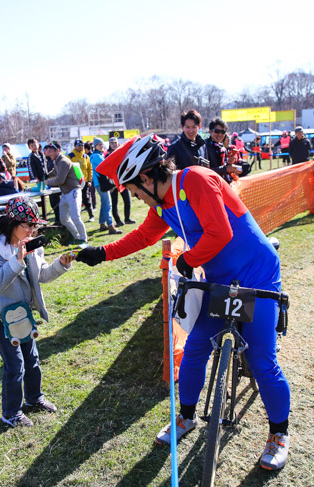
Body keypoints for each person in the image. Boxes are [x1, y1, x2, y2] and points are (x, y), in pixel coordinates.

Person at [77, 134, 291, 471]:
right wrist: (103, 253)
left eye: (135, 192)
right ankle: (187, 416)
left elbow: (221, 233)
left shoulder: (196, 180)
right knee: (194, 351)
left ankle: (279, 434)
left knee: (262, 362)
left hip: (256, 275)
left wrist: (189, 259)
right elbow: (144, 236)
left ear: (146, 178)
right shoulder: (163, 205)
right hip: (220, 281)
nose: (137, 198)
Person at [0, 196, 75, 427]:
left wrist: (61, 263)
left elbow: (41, 276)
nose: (32, 229)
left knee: (32, 359)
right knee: (15, 364)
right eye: (27, 225)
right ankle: (11, 413)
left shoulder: (32, 244)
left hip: (23, 313)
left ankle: (34, 398)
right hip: (1, 315)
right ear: (12, 223)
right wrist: (18, 259)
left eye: (34, 225)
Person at [44, 141, 87, 244]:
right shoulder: (57, 161)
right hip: (65, 193)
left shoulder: (63, 161)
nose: (49, 153)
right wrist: (46, 175)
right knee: (63, 219)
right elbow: (54, 172)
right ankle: (77, 236)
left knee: (75, 217)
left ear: (57, 151)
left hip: (73, 192)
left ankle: (83, 239)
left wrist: (48, 181)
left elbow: (60, 180)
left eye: (50, 151)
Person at [90, 137, 121, 235]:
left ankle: (102, 224)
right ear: (95, 146)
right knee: (108, 205)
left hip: (99, 183)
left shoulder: (97, 155)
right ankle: (111, 226)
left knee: (104, 204)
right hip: (101, 183)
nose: (101, 146)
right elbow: (107, 167)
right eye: (99, 145)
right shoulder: (97, 157)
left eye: (102, 144)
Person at [108, 137, 136, 226]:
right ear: (109, 144)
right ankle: (118, 221)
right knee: (114, 202)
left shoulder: (122, 152)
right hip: (113, 182)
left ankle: (127, 218)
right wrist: (111, 184)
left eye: (115, 142)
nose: (113, 144)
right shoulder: (107, 155)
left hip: (122, 181)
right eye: (111, 143)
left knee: (127, 200)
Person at [69, 139, 95, 221]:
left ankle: (91, 215)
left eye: (82, 145)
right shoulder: (70, 156)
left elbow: (89, 169)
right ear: (75, 146)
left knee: (86, 199)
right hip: (73, 182)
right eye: (79, 145)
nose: (81, 147)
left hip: (84, 182)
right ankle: (75, 217)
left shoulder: (86, 156)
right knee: (74, 200)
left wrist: (89, 180)